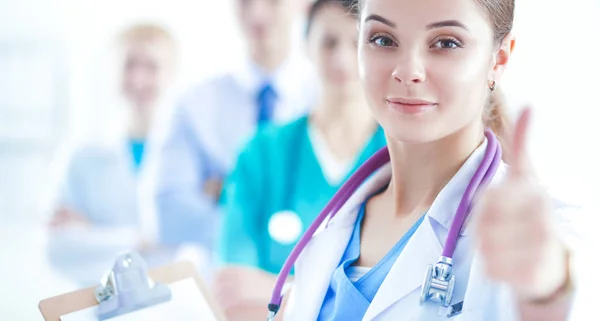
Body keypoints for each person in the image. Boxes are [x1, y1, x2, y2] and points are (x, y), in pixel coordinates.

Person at [279, 0, 581, 320]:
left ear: (499, 59)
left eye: (446, 43)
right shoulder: (334, 227)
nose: (408, 72)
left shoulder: (536, 235)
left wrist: (548, 290)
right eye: (382, 39)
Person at [213, 0, 386, 319]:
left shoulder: (399, 155)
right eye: (328, 42)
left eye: (360, 42)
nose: (343, 58)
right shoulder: (261, 153)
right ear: (306, 45)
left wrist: (282, 290)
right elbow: (232, 293)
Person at [142, 0, 317, 258]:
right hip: (218, 283)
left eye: (272, 1)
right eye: (245, 2)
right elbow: (169, 216)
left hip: (303, 284)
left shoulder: (325, 100)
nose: (257, 13)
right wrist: (276, 226)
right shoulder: (194, 103)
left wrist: (227, 191)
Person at [46, 23, 178, 286]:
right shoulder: (81, 157)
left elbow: (197, 248)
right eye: (129, 65)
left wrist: (96, 236)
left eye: (152, 66)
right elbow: (58, 248)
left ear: (172, 74)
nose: (139, 79)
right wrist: (142, 240)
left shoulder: (190, 156)